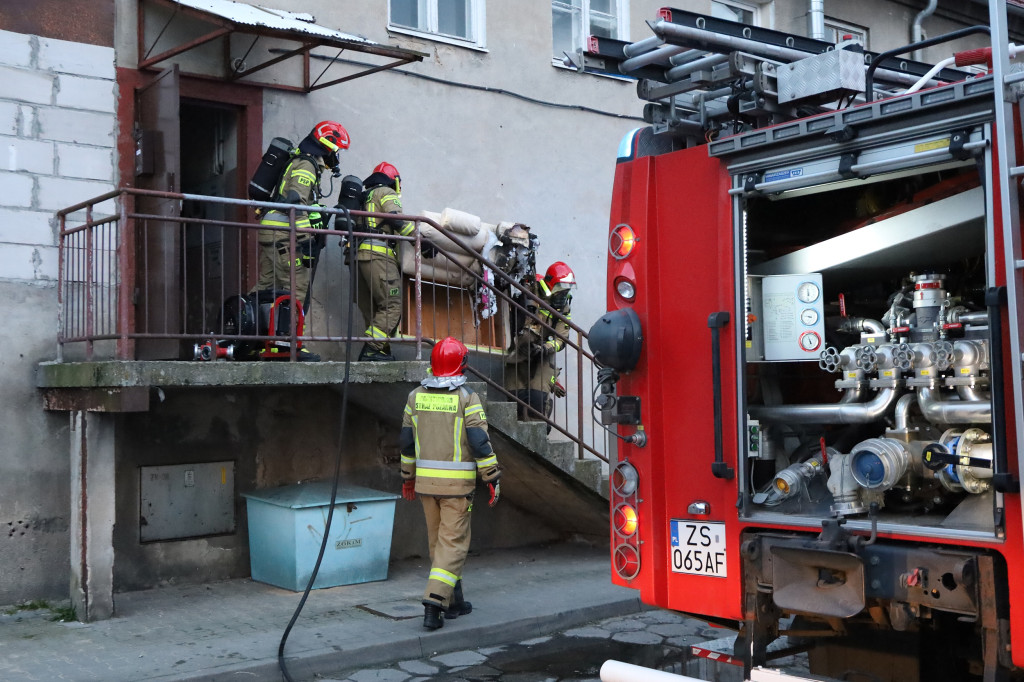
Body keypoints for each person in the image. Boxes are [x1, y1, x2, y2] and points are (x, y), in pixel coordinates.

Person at [399, 337, 501, 630]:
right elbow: (480, 443)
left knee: (439, 545)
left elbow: (406, 443)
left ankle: (454, 601)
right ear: (463, 365)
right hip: (456, 489)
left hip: (426, 486)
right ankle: (434, 603)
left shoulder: (415, 397)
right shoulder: (467, 398)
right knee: (453, 545)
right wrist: (492, 478)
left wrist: (408, 478)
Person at [253, 120, 349, 312]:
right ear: (327, 144)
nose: (336, 155)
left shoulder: (300, 160)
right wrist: (306, 241)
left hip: (271, 231)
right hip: (283, 235)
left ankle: (242, 331)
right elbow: (295, 203)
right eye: (337, 149)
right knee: (296, 289)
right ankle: (291, 340)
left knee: (265, 287)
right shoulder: (307, 165)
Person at [354, 162, 435, 361]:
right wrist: (420, 240)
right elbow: (396, 219)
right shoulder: (385, 192)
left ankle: (381, 350)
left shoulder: (365, 197)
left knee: (374, 309)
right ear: (394, 181)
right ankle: (372, 349)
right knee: (392, 305)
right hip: (379, 255)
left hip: (358, 256)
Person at [504, 261, 576, 423]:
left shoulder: (563, 306)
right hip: (520, 349)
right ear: (549, 284)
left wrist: (545, 348)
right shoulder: (532, 291)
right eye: (559, 288)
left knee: (538, 399)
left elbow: (561, 338)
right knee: (515, 396)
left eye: (565, 290)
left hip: (542, 353)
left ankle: (541, 428)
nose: (562, 294)